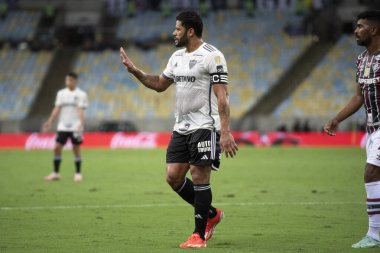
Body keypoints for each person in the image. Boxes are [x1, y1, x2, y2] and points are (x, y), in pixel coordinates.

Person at [119, 10, 238, 249]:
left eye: (177, 29)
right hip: (181, 127)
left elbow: (222, 97)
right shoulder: (176, 57)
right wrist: (135, 71)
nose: (174, 33)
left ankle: (198, 235)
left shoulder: (212, 56)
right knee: (173, 177)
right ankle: (212, 214)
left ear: (190, 31)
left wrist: (225, 131)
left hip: (205, 125)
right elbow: (159, 84)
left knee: (199, 176)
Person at [324, 10, 380, 248]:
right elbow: (358, 97)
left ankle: (375, 234)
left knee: (371, 172)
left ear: (374, 29)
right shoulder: (362, 60)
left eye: (360, 26)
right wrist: (336, 119)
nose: (355, 30)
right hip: (372, 129)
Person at [43, 72, 88, 182]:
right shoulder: (61, 93)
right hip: (63, 126)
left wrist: (81, 124)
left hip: (75, 126)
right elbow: (57, 108)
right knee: (57, 147)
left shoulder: (81, 94)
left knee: (76, 149)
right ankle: (56, 173)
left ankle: (78, 173)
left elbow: (81, 111)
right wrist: (50, 121)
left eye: (69, 80)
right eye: (66, 80)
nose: (67, 82)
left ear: (74, 81)